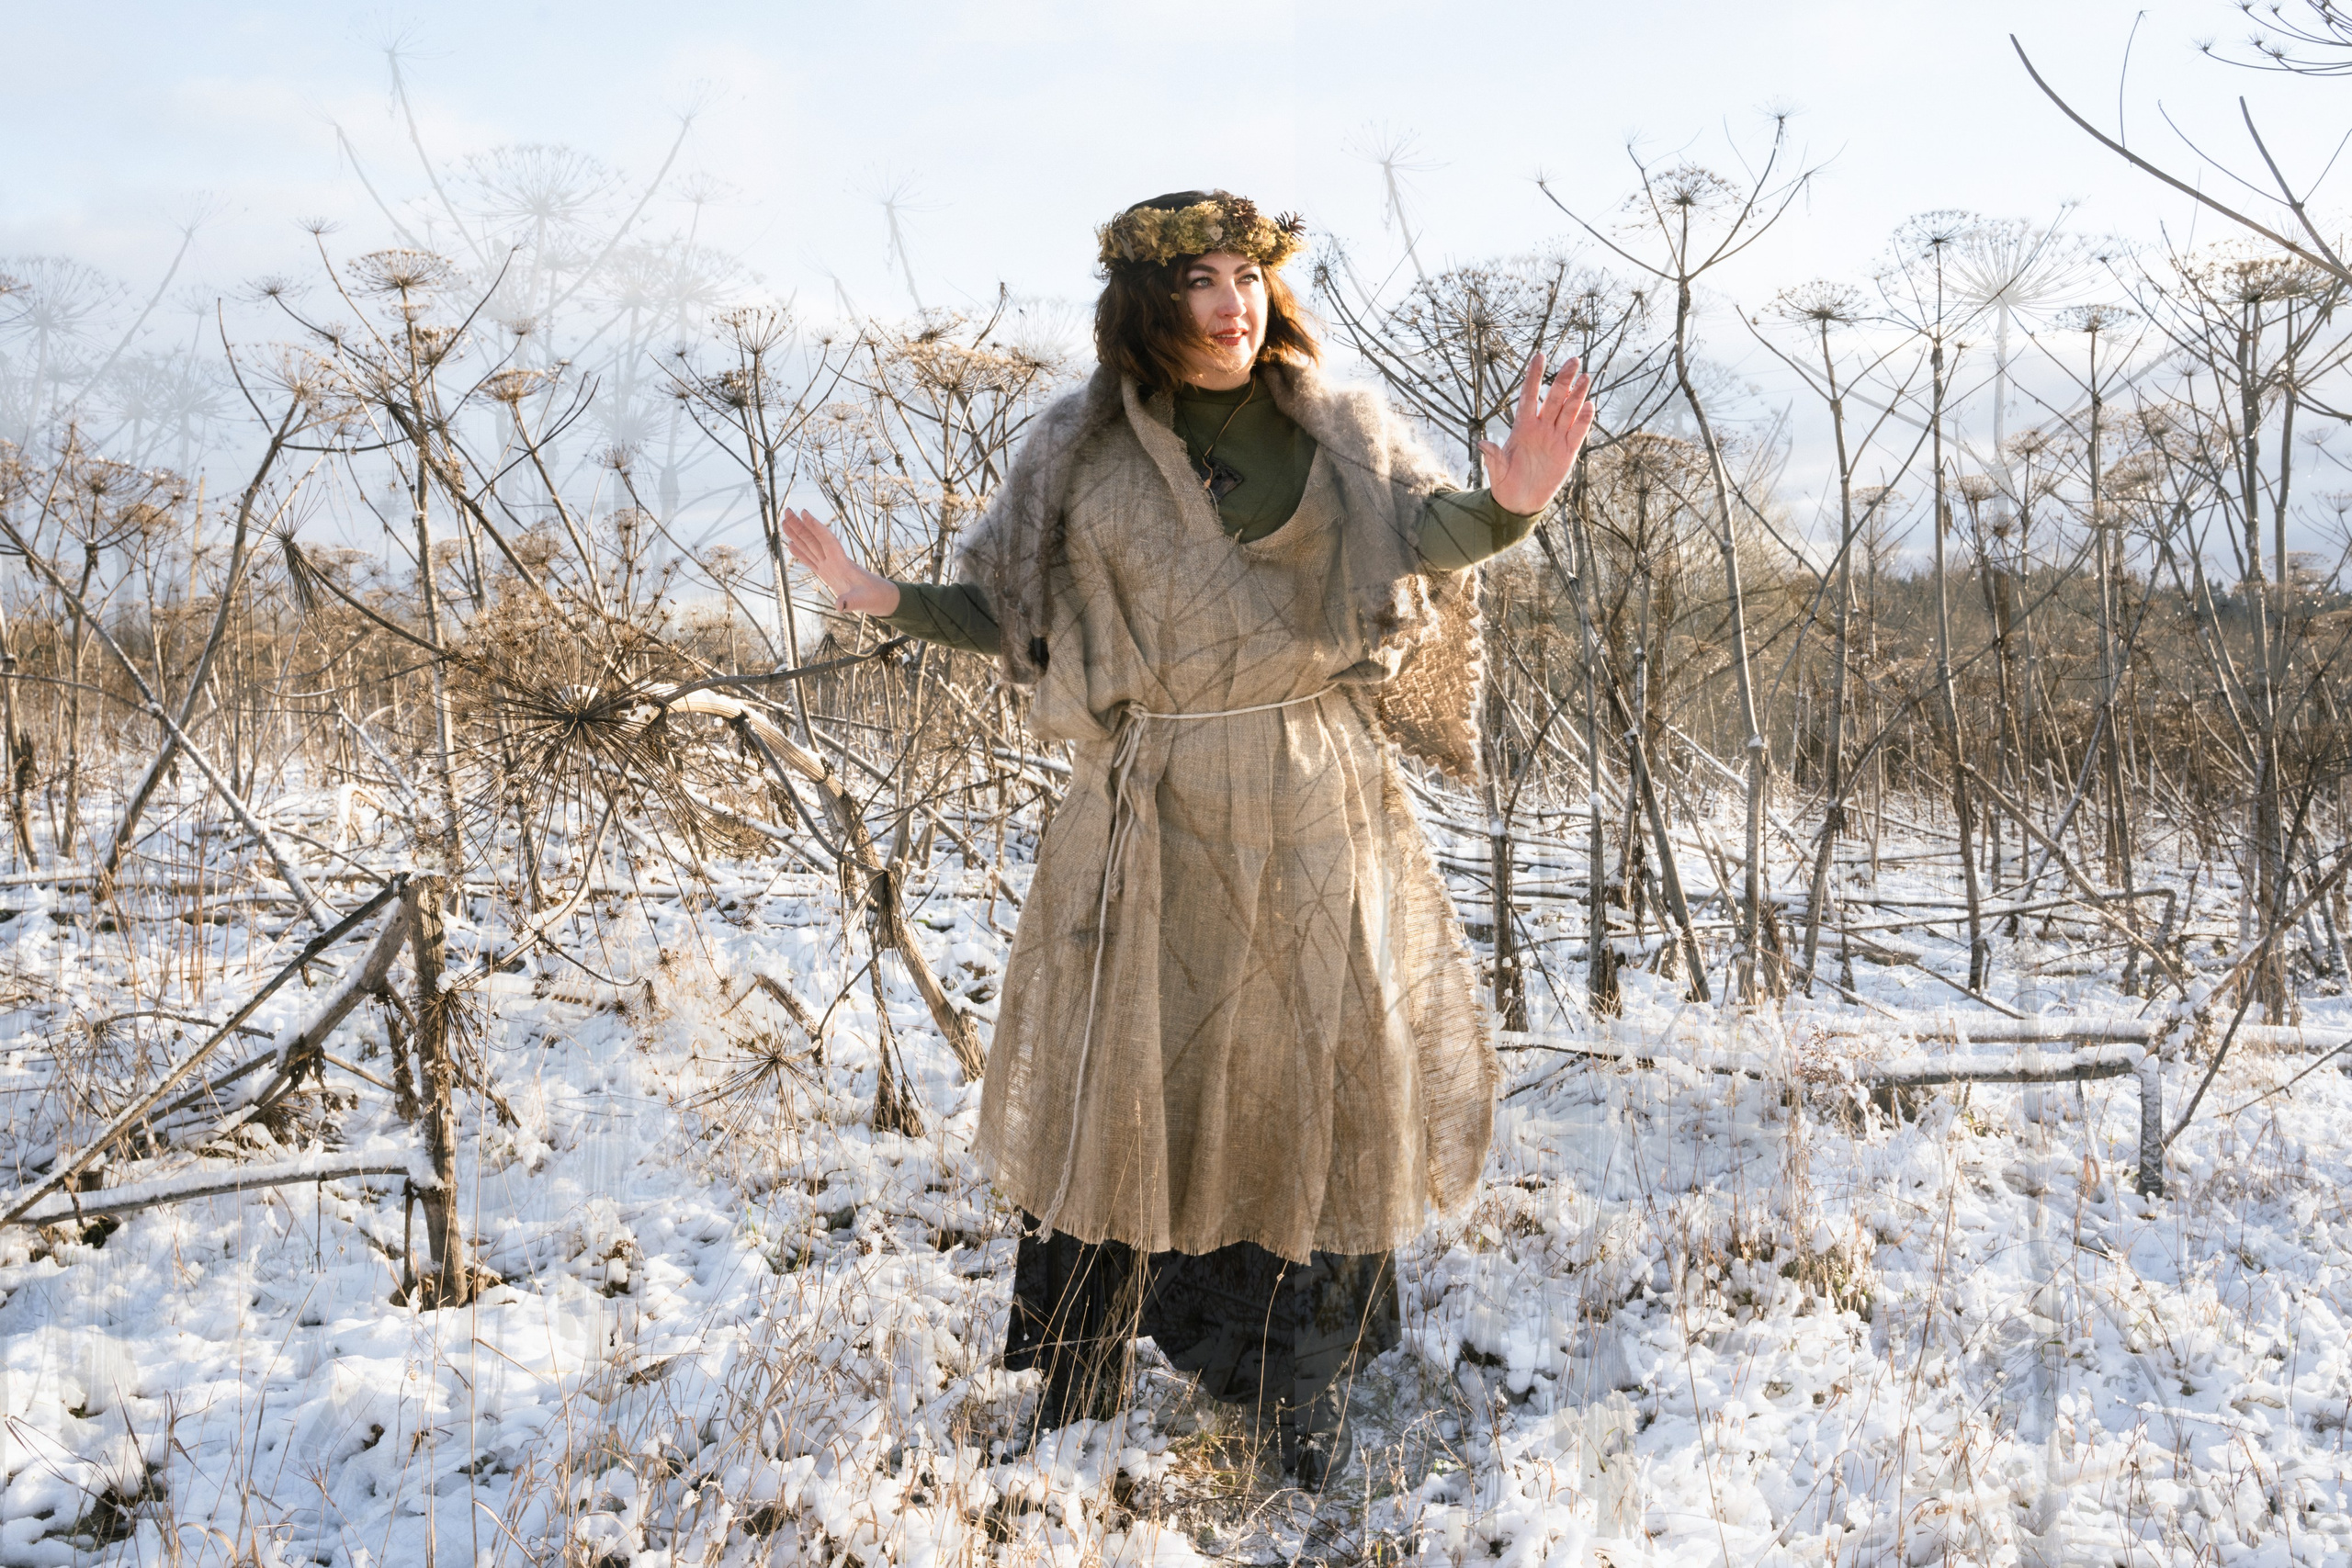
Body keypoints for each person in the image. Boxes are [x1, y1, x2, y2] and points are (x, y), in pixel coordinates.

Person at [782, 190, 1594, 1488]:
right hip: (1146, 805)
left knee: (1305, 1067)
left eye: (1249, 276)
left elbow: (1433, 534)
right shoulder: (1079, 453)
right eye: (1203, 283)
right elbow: (1012, 608)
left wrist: (1513, 507)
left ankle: (1293, 1388)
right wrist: (881, 600)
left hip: (1310, 788)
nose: (1234, 303)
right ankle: (1086, 1372)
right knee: (1131, 1069)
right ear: (1148, 308)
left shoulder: (1335, 427)